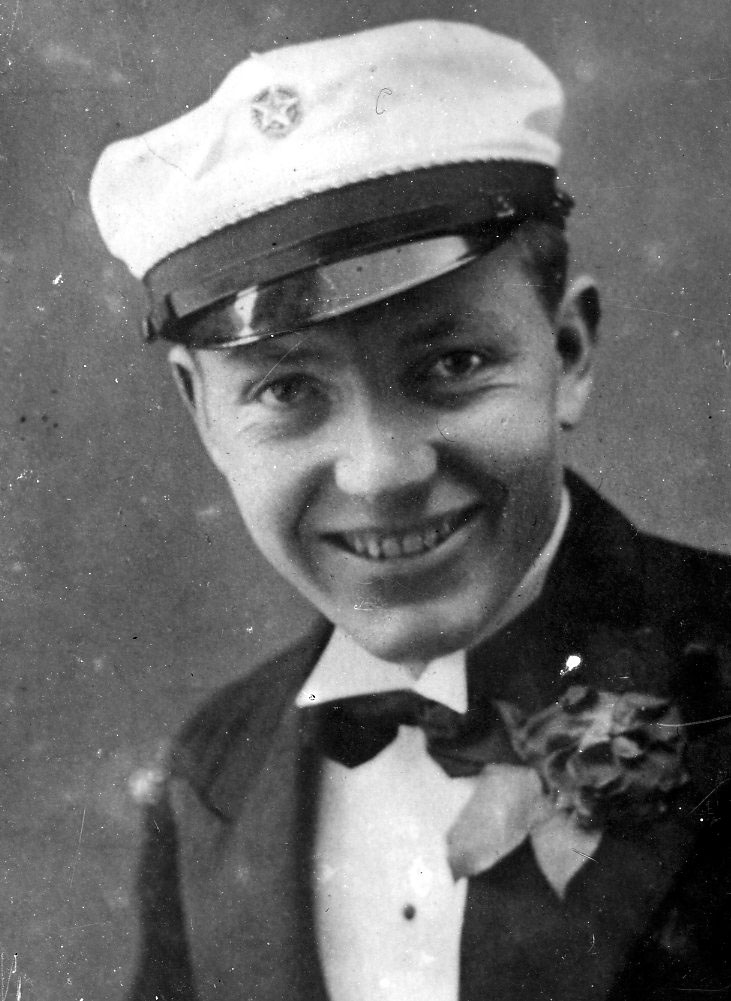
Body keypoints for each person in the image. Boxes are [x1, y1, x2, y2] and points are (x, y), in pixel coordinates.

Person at [89, 20, 731, 1001]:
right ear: (203, 413)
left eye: (452, 363)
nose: (380, 470)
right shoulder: (213, 770)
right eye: (286, 391)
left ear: (566, 352)